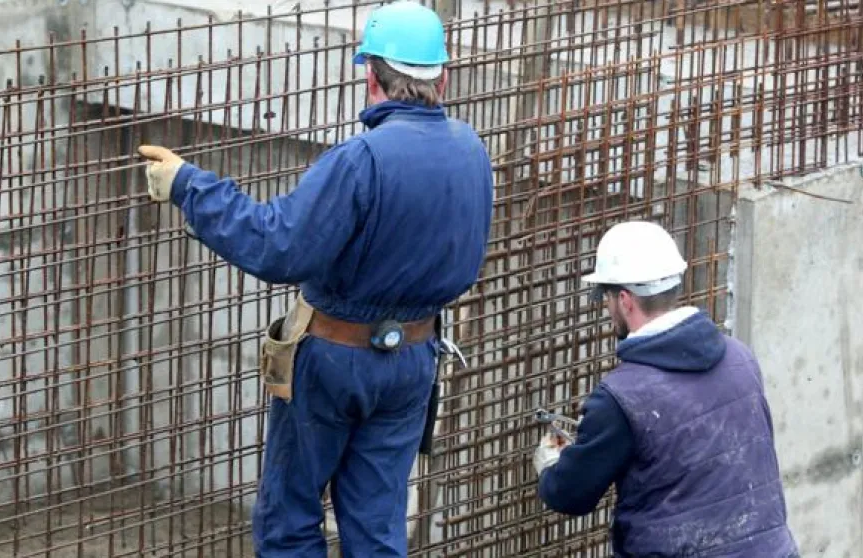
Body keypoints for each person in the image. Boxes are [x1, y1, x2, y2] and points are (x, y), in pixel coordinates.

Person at [137, 1, 494, 556]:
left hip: (334, 357)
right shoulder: (471, 150)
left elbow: (277, 246)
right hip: (413, 361)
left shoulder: (361, 159)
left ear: (371, 76)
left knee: (290, 519)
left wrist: (190, 186)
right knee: (377, 525)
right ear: (442, 78)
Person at [533, 220, 799, 557]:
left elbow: (572, 494)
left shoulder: (619, 398)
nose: (606, 307)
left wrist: (552, 466)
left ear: (625, 300)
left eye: (606, 296)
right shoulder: (740, 358)